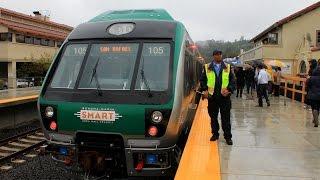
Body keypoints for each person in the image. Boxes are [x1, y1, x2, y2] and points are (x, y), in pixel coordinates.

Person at [200, 50, 235, 145]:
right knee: (213, 118)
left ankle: (228, 137)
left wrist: (229, 90)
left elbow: (232, 81)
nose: (218, 56)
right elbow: (202, 80)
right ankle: (215, 134)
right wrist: (205, 90)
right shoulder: (207, 67)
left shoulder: (228, 67)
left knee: (226, 118)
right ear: (213, 56)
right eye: (216, 55)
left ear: (221, 56)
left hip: (224, 98)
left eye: (219, 55)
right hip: (212, 97)